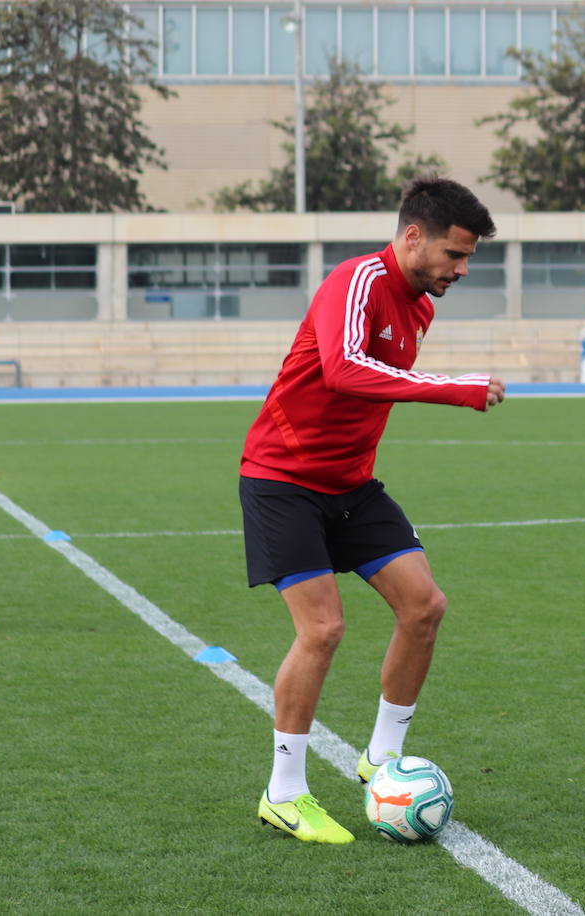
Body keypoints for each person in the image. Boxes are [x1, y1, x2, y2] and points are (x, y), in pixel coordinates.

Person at [240, 177, 505, 844]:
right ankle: (284, 792)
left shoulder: (420, 308)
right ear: (413, 237)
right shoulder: (356, 281)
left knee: (424, 606)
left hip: (351, 487)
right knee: (323, 630)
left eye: (469, 257)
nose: (462, 269)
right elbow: (344, 370)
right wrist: (457, 388)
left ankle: (380, 758)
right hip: (282, 480)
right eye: (454, 254)